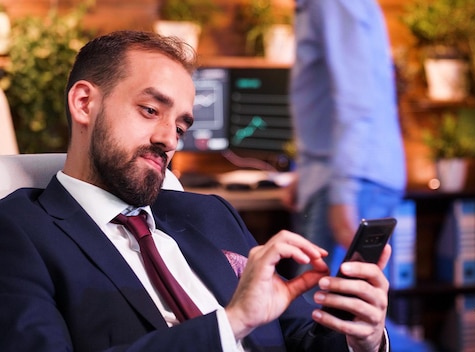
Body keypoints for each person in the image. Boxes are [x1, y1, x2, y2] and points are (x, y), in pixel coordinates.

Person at [0, 30, 391, 352]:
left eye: (182, 127)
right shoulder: (18, 232)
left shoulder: (211, 215)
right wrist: (232, 323)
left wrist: (362, 339)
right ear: (84, 103)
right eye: (150, 110)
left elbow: (299, 339)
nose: (169, 139)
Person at [287, 0, 406, 280]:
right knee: (344, 309)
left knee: (327, 311)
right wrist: (304, 173)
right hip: (340, 174)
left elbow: (356, 100)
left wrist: (343, 193)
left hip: (348, 179)